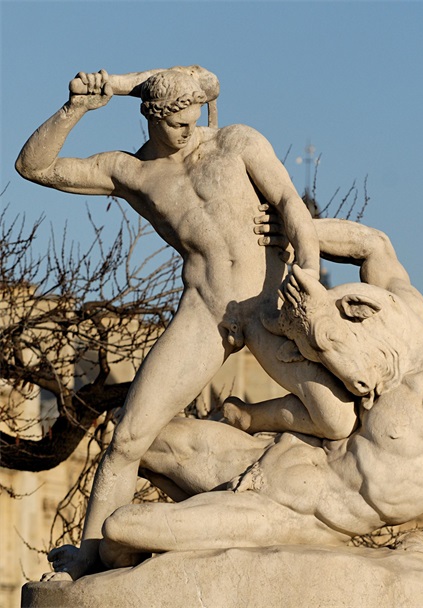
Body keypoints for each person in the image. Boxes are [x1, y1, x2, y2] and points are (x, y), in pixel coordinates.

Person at [16, 67, 357, 581]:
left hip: (267, 305)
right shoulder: (132, 172)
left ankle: (249, 422)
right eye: (177, 124)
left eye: (195, 120)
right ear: (151, 118)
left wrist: (306, 274)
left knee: (335, 418)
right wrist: (77, 108)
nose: (189, 131)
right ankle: (88, 555)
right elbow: (34, 166)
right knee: (128, 437)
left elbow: (290, 202)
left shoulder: (235, 143)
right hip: (208, 312)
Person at [46, 219, 423, 575]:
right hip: (271, 459)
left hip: (300, 514)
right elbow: (374, 244)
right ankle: (154, 543)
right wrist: (297, 232)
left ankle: (169, 551)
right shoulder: (403, 310)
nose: (350, 381)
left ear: (360, 315)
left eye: (330, 349)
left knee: (122, 528)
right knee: (140, 439)